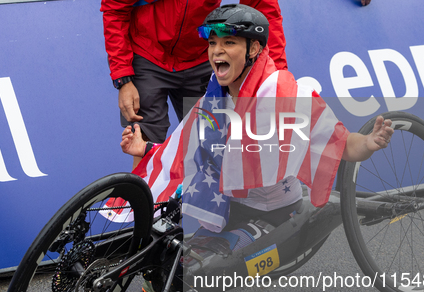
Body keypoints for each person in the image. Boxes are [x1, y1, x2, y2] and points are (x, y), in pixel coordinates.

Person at [121, 4, 394, 292]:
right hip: (230, 207)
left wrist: (369, 143)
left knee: (191, 276)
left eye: (228, 43)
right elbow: (186, 145)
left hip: (275, 213)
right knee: (163, 255)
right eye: (212, 43)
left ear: (253, 49)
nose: (216, 51)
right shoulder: (216, 93)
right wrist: (147, 149)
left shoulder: (282, 93)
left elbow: (341, 144)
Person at [101, 0, 288, 169]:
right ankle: (141, 205)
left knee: (212, 142)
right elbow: (115, 7)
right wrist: (123, 77)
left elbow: (263, 8)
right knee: (142, 140)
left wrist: (274, 79)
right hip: (147, 52)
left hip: (199, 57)